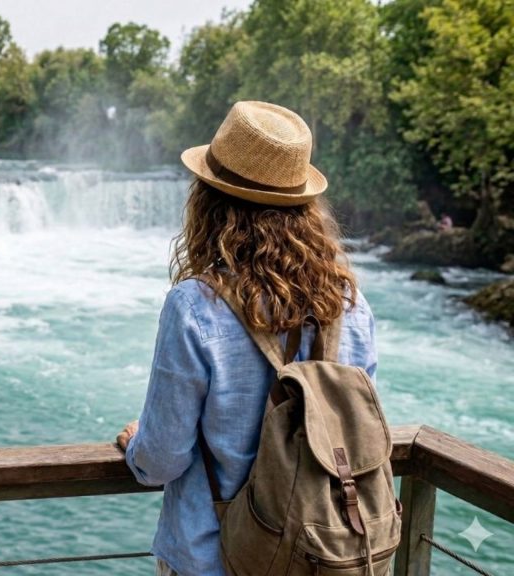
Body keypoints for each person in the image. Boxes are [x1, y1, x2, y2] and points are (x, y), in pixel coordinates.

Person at [115, 101, 377, 576]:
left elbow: (162, 460)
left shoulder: (196, 306)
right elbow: (358, 432)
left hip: (214, 558)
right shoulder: (349, 305)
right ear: (305, 209)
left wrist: (137, 443)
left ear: (209, 200)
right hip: (320, 555)